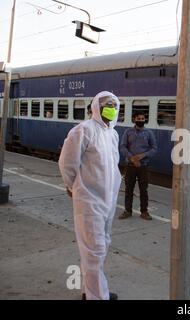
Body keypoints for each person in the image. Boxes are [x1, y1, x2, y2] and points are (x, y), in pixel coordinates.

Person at [58, 91, 121, 300]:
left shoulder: (113, 133)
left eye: (114, 104)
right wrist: (71, 185)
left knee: (100, 247)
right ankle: (97, 297)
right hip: (89, 200)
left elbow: (113, 164)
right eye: (107, 105)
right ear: (96, 107)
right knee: (94, 251)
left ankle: (92, 290)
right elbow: (67, 162)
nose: (111, 108)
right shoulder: (83, 130)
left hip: (108, 200)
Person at [119, 111, 157, 220]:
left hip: (143, 165)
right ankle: (127, 211)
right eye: (139, 119)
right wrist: (132, 158)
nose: (141, 121)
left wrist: (141, 156)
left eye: (142, 119)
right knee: (128, 189)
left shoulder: (149, 133)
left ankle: (144, 212)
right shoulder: (128, 132)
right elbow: (123, 147)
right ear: (134, 119)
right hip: (130, 165)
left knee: (143, 189)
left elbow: (154, 148)